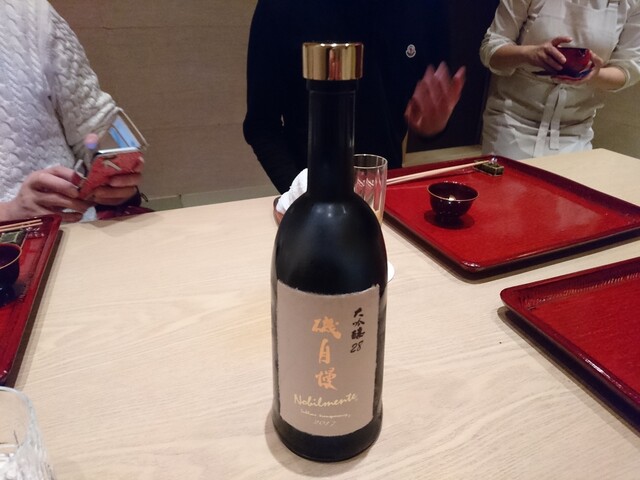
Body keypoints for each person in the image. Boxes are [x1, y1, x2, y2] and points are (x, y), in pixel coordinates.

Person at [243, 0, 466, 194]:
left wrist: (433, 125)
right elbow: (261, 125)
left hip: (386, 187)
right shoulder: (282, 6)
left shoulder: (427, 6)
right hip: (308, 189)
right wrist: (300, 197)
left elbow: (433, 98)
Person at [0, 0, 144, 222]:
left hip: (74, 228)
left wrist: (114, 175)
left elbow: (95, 122)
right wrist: (8, 212)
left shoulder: (29, 12)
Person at [480, 0, 640, 160]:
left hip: (575, 132)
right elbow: (491, 49)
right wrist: (528, 54)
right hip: (511, 124)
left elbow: (628, 69)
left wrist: (594, 74)